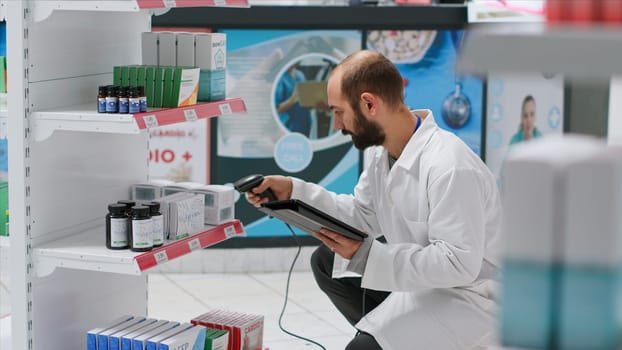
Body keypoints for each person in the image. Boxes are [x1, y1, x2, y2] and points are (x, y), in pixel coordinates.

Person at [247, 50, 503, 350]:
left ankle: (382, 341)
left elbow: (458, 264)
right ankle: (389, 335)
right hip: (426, 283)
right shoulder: (383, 154)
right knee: (327, 262)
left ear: (369, 104)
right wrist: (293, 192)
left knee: (363, 348)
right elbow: (360, 214)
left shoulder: (449, 164)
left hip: (473, 298)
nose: (337, 125)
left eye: (339, 112)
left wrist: (369, 256)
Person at [274, 63, 312, 137]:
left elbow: (305, 99)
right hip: (288, 125)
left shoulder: (300, 75)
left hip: (304, 123)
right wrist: (292, 100)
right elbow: (276, 109)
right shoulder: (280, 78)